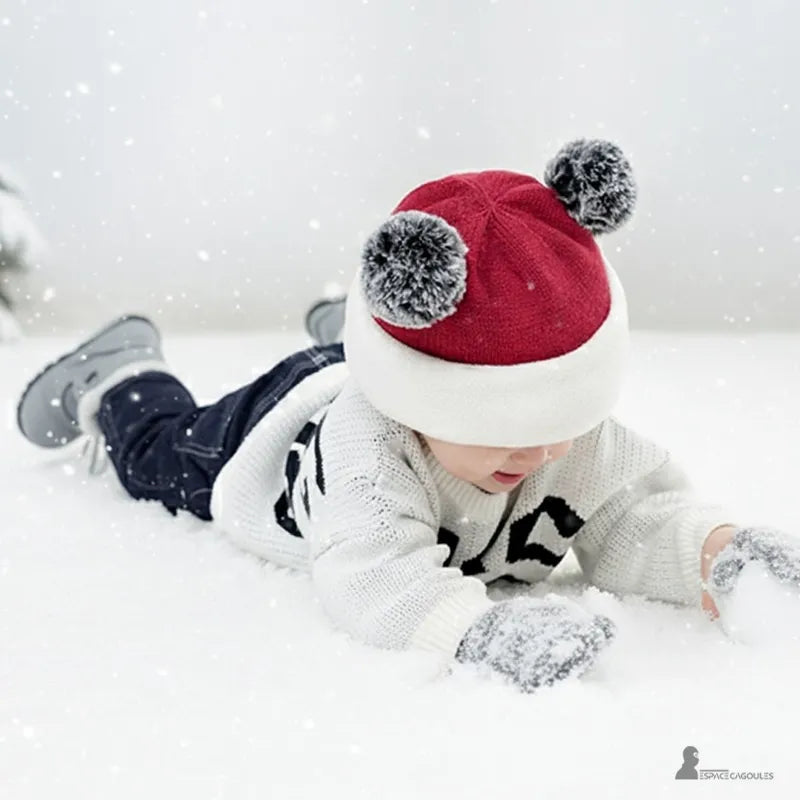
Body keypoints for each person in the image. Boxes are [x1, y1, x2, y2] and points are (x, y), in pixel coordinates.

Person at [16, 139, 800, 694]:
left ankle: (351, 333)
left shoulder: (571, 438)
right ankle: (123, 377)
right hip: (277, 430)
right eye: (494, 427)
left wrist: (714, 552)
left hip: (390, 372)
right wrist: (475, 630)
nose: (535, 453)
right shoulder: (368, 456)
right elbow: (374, 577)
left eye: (558, 418)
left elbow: (633, 516)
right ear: (423, 397)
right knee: (159, 461)